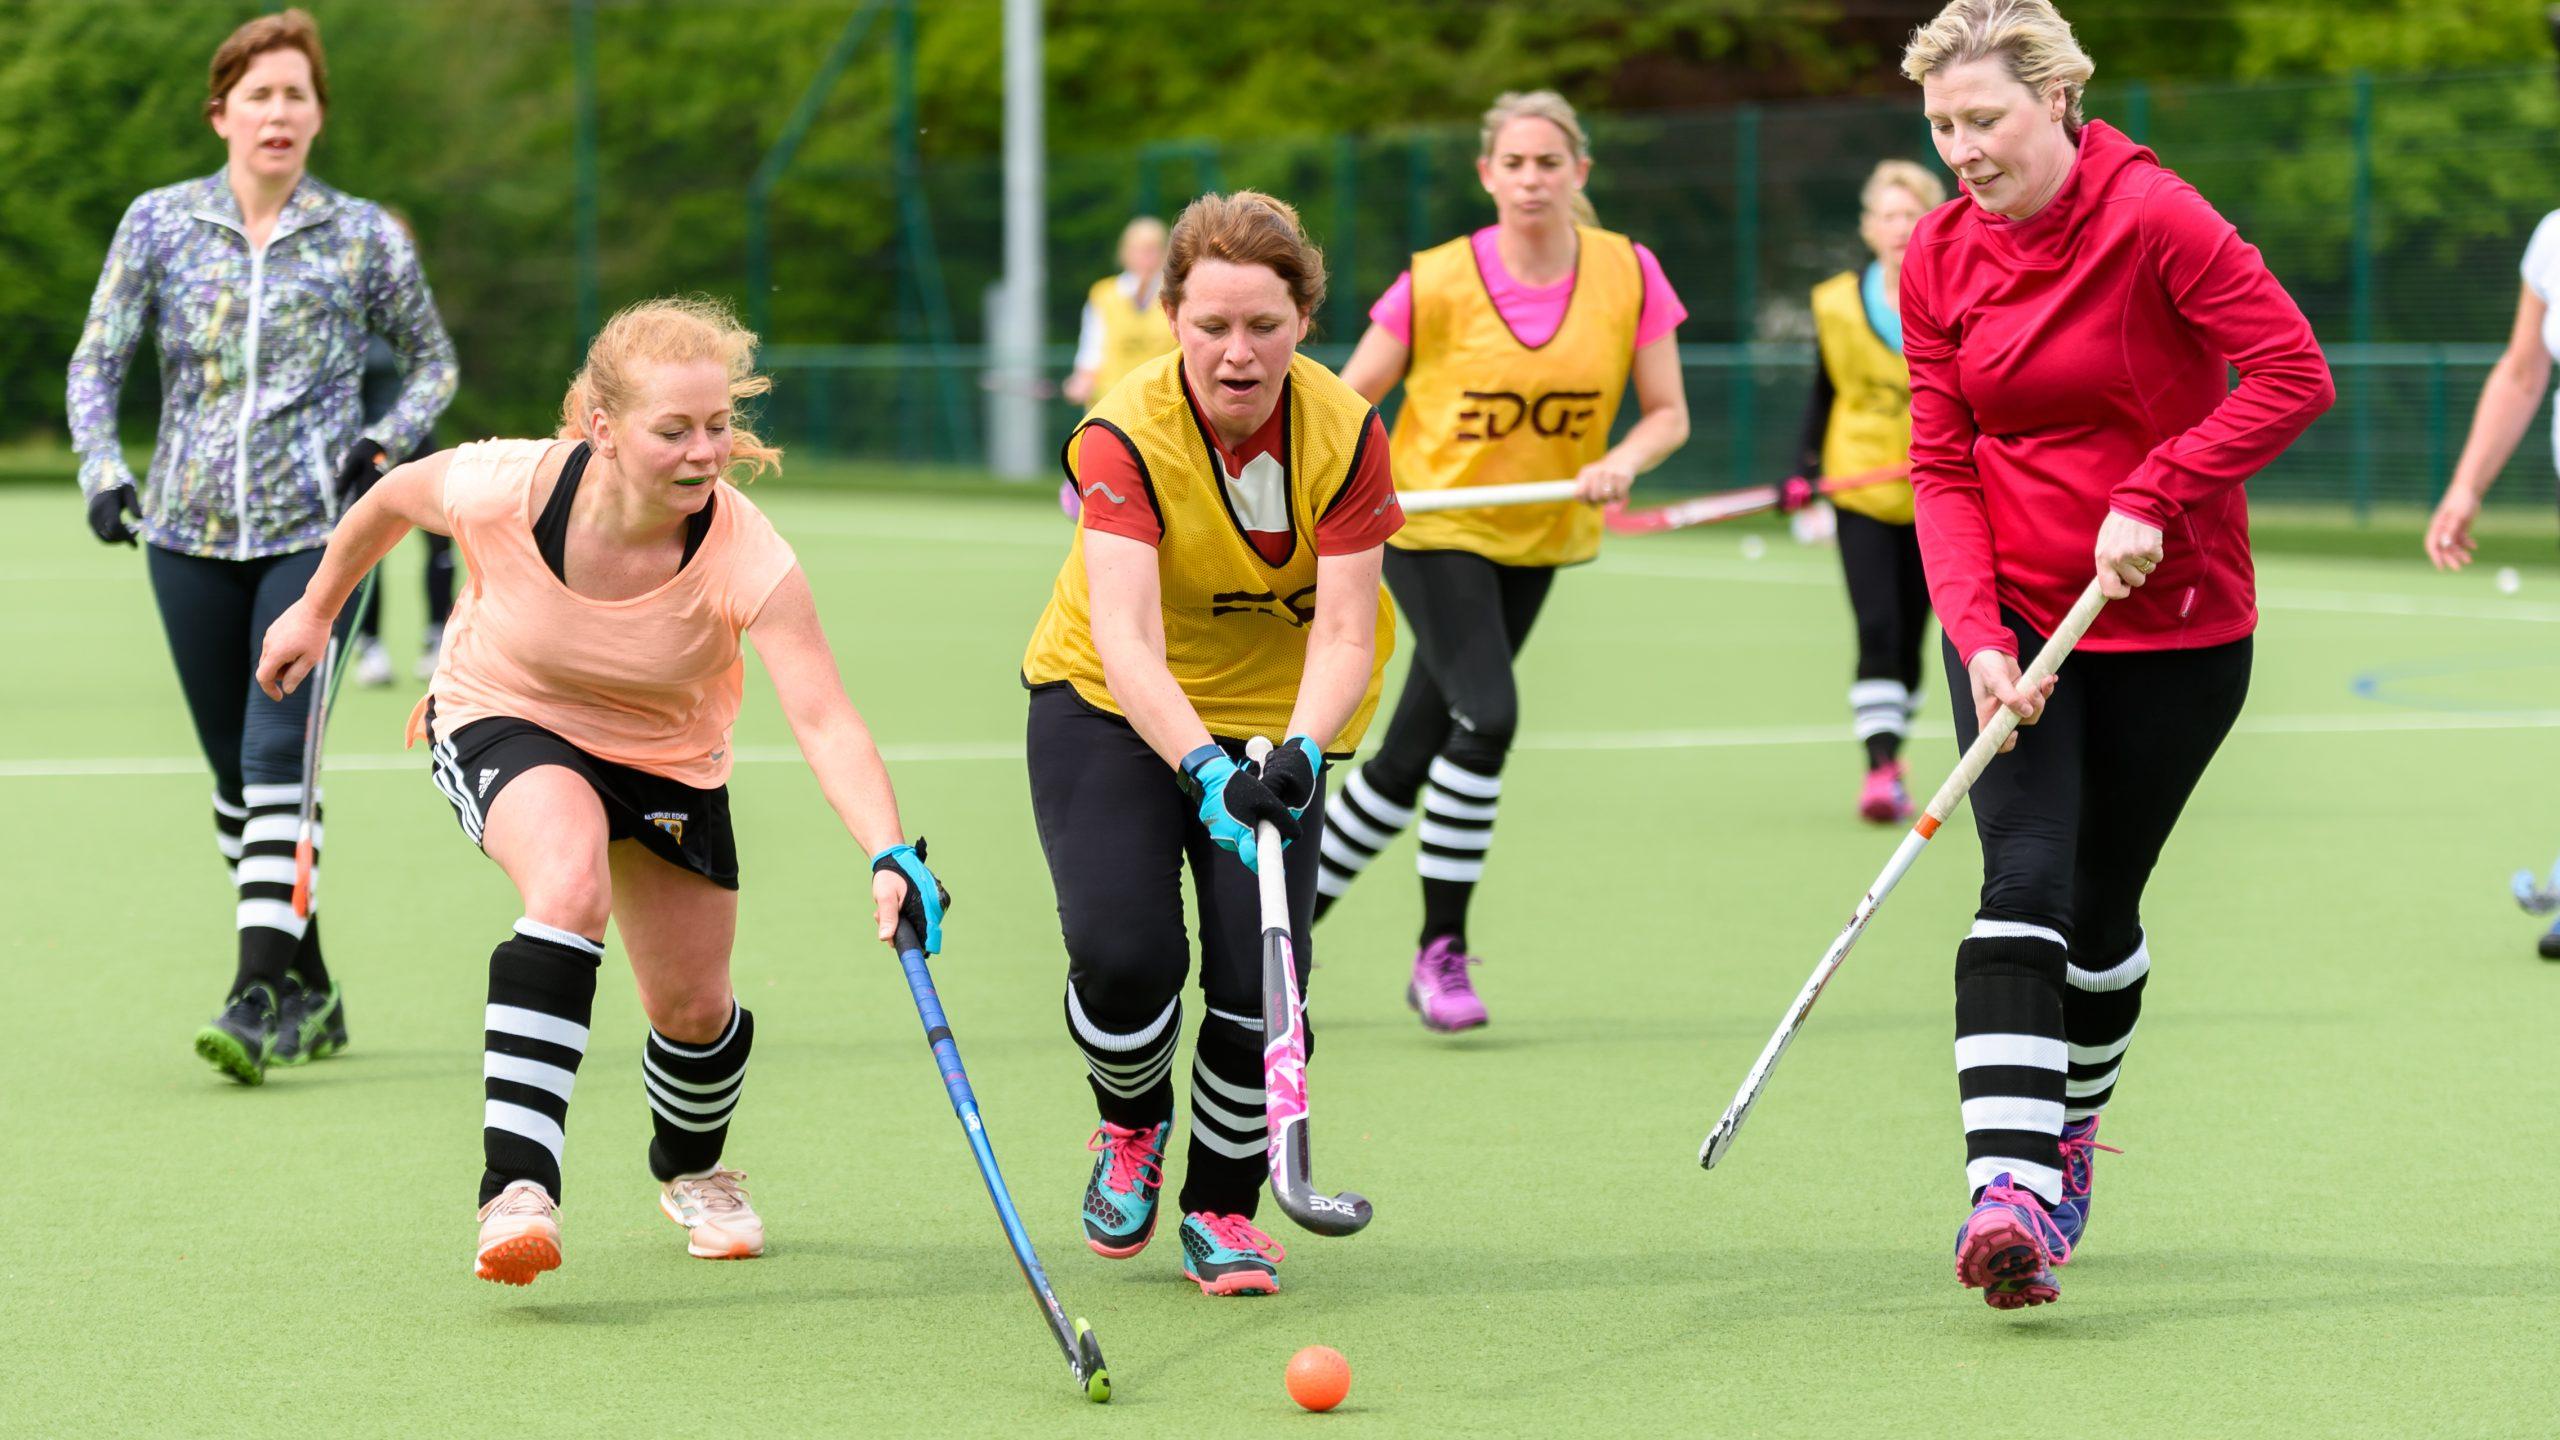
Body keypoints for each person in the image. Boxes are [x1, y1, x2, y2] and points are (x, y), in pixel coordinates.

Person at [256, 296, 945, 1287]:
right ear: (603, 430)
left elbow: (826, 717)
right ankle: (517, 1193)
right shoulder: (508, 484)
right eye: (674, 430)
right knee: (569, 886)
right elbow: (387, 501)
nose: (704, 451)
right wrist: (315, 612)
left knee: (695, 1012)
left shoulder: (746, 553)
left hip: (668, 761)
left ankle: (694, 1168)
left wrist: (889, 851)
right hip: (505, 709)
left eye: (717, 427)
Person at [1900, 0, 2332, 1309]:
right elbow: (1940, 463)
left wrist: (2161, 485)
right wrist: (1978, 640)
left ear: (2058, 104)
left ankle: (2070, 1132)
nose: (1963, 148)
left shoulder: (2158, 218)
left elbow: (2290, 372)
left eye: (1985, 120)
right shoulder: (1934, 257)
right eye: (1940, 127)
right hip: (2025, 615)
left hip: (2182, 626)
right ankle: (2009, 1190)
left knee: (2100, 913)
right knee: (2020, 881)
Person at [65, 8, 457, 1084]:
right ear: (221, 113)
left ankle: (252, 995)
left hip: (319, 540)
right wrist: (105, 472)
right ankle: (312, 989)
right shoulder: (157, 223)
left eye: (297, 94)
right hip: (183, 534)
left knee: (276, 759)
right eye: (259, 94)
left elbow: (432, 364)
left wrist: (382, 443)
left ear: (319, 115)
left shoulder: (364, 233)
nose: (278, 112)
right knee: (236, 785)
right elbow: (96, 362)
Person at [1020, 191, 1401, 1297]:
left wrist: (1291, 753)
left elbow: (1345, 630)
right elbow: (1128, 639)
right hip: (1110, 706)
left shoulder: (1345, 432)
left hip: (1282, 716)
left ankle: (1223, 1206)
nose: (1239, 355)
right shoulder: (1121, 433)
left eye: (1266, 327)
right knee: (1127, 956)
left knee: (1259, 981)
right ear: (1173, 318)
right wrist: (1204, 771)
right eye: (1212, 327)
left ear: (1304, 322)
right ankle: (1128, 1125)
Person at [1316, 90, 1691, 1033]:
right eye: (1514, 163)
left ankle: (1277, 934)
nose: (1532, 178)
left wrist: (1622, 462)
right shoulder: (1435, 281)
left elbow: (1666, 413)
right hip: (1430, 527)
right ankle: (1440, 951)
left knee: (1406, 760)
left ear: (1579, 174)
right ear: (1488, 174)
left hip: (1540, 537)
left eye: (1549, 162)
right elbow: (1347, 399)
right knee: (1487, 716)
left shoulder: (1629, 273)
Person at [1793, 159, 1946, 823]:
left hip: (1940, 494)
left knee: (1912, 640)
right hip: (1858, 490)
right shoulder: (1834, 302)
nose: (1898, 227)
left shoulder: (1957, 293)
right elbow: (1824, 391)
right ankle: (1879, 767)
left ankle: (1892, 748)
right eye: (1886, 215)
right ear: (1867, 226)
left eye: (1910, 214)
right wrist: (1801, 466)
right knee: (1877, 626)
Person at [351, 212, 458, 687]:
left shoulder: (416, 310)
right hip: (363, 449)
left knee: (440, 542)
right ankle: (368, 645)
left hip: (418, 443)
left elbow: (435, 369)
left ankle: (437, 638)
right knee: (364, 545)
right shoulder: (343, 309)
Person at [1062, 217, 1175, 410]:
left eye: (1152, 249)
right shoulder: (1103, 294)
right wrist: (1082, 381)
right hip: (1112, 408)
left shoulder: (1176, 295)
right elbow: (1091, 351)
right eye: (1139, 250)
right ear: (1125, 253)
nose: (1146, 257)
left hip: (1163, 407)